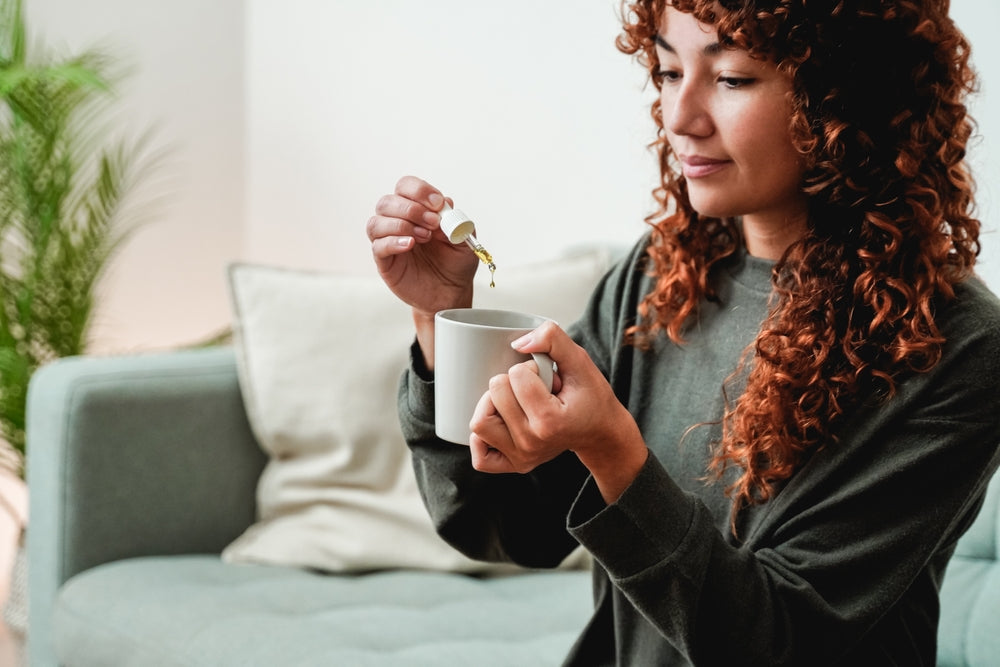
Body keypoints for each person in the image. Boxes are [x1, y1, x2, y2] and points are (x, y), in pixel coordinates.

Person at [366, 0, 1000, 664]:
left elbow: (778, 640)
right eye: (669, 72)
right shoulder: (660, 278)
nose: (679, 116)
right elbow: (508, 526)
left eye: (731, 78)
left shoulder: (952, 347)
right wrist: (443, 317)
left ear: (847, 94)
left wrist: (614, 454)